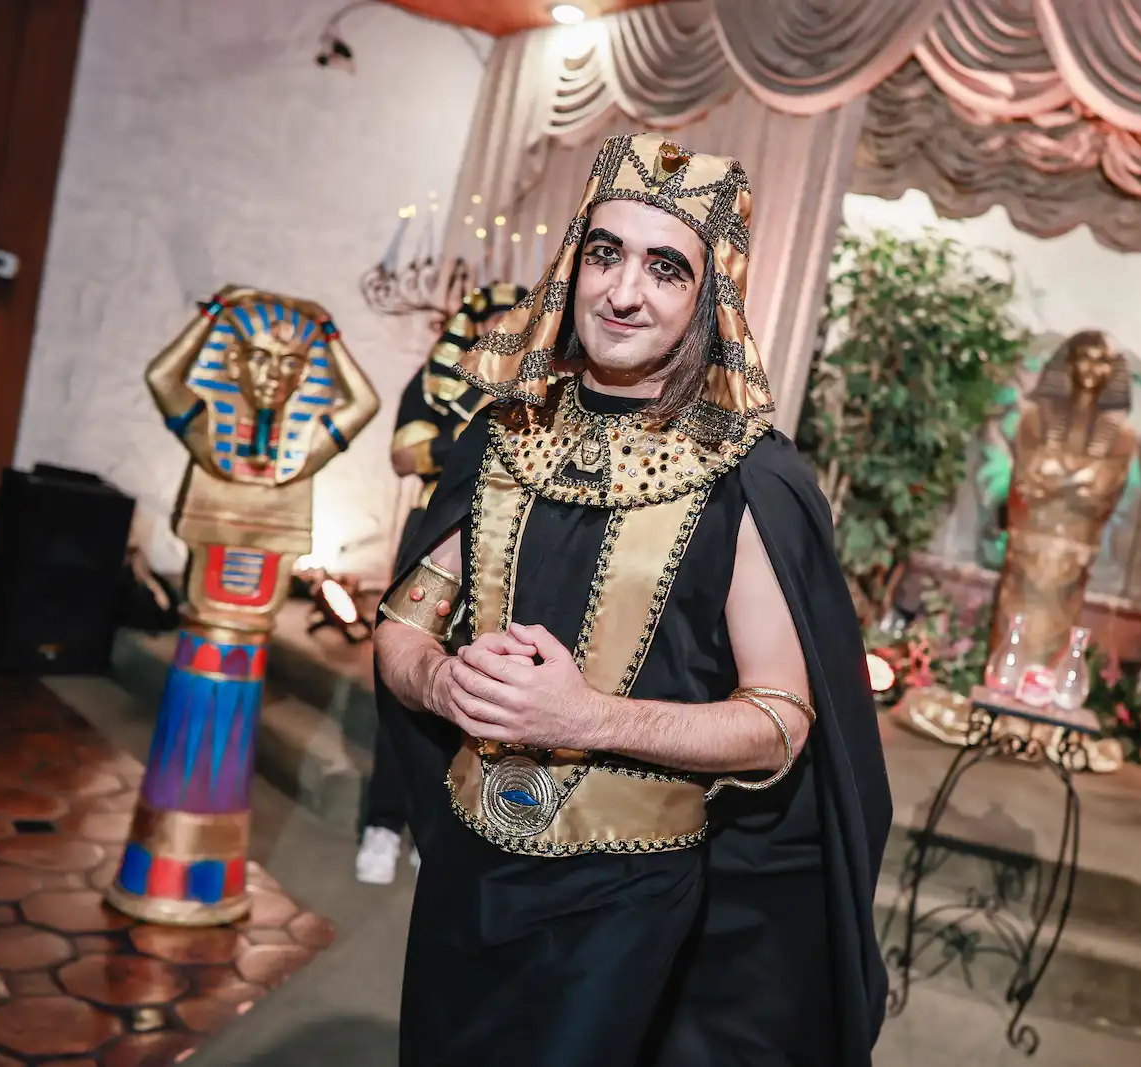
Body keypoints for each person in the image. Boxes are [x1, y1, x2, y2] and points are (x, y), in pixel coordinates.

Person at [372, 132, 892, 1065]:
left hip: (622, 900)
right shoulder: (502, 433)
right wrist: (443, 685)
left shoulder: (749, 475)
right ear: (574, 261)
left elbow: (779, 721)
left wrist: (588, 716)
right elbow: (404, 625)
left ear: (710, 299)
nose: (622, 291)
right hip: (464, 870)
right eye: (605, 253)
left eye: (665, 268)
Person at [357, 283, 522, 884]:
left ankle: (436, 821)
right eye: (491, 324)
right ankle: (381, 822)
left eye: (515, 324)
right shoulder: (433, 384)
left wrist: (449, 447)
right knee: (401, 681)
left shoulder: (539, 389)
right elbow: (404, 454)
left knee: (470, 683)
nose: (500, 336)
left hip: (501, 545)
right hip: (430, 536)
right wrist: (482, 439)